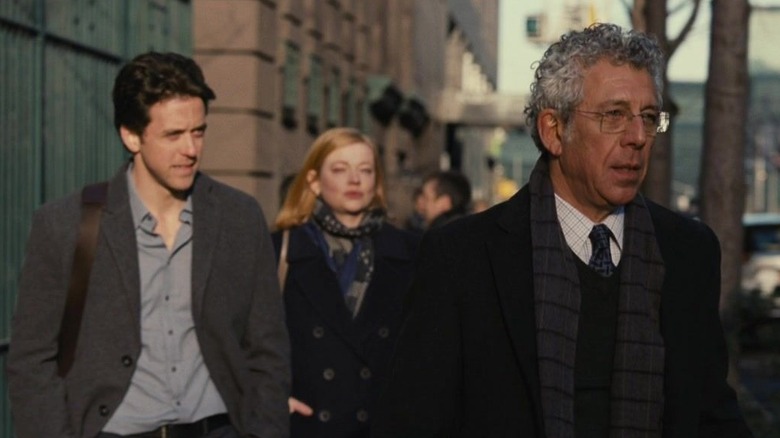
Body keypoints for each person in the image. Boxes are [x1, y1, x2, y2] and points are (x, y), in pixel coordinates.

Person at [371, 23, 752, 437]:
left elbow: (712, 414)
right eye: (614, 115)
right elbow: (413, 419)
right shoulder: (462, 257)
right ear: (553, 130)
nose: (638, 138)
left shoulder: (688, 252)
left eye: (647, 117)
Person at [7, 52, 291, 438]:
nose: (191, 149)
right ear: (131, 136)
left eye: (199, 132)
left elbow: (268, 348)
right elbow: (32, 359)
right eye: (173, 135)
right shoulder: (66, 225)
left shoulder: (239, 217)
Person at [274, 127, 419, 438]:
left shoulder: (411, 252)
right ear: (314, 181)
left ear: (376, 182)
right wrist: (270, 397)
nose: (355, 180)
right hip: (304, 426)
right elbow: (246, 338)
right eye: (340, 169)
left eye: (365, 170)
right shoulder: (280, 251)